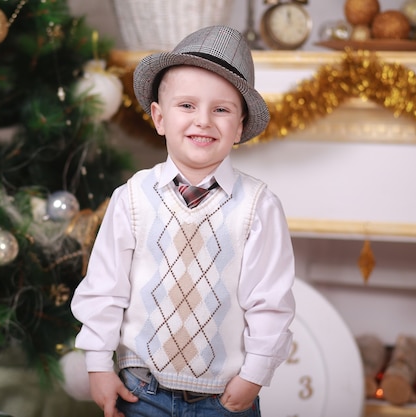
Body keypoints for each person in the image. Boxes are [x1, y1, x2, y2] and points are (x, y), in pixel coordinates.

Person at [71, 25, 295, 417]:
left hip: (223, 398)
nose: (203, 120)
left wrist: (255, 374)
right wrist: (97, 363)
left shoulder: (258, 207)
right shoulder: (133, 198)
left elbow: (270, 301)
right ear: (159, 117)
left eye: (221, 109)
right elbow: (105, 288)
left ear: (239, 127)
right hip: (141, 391)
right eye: (187, 105)